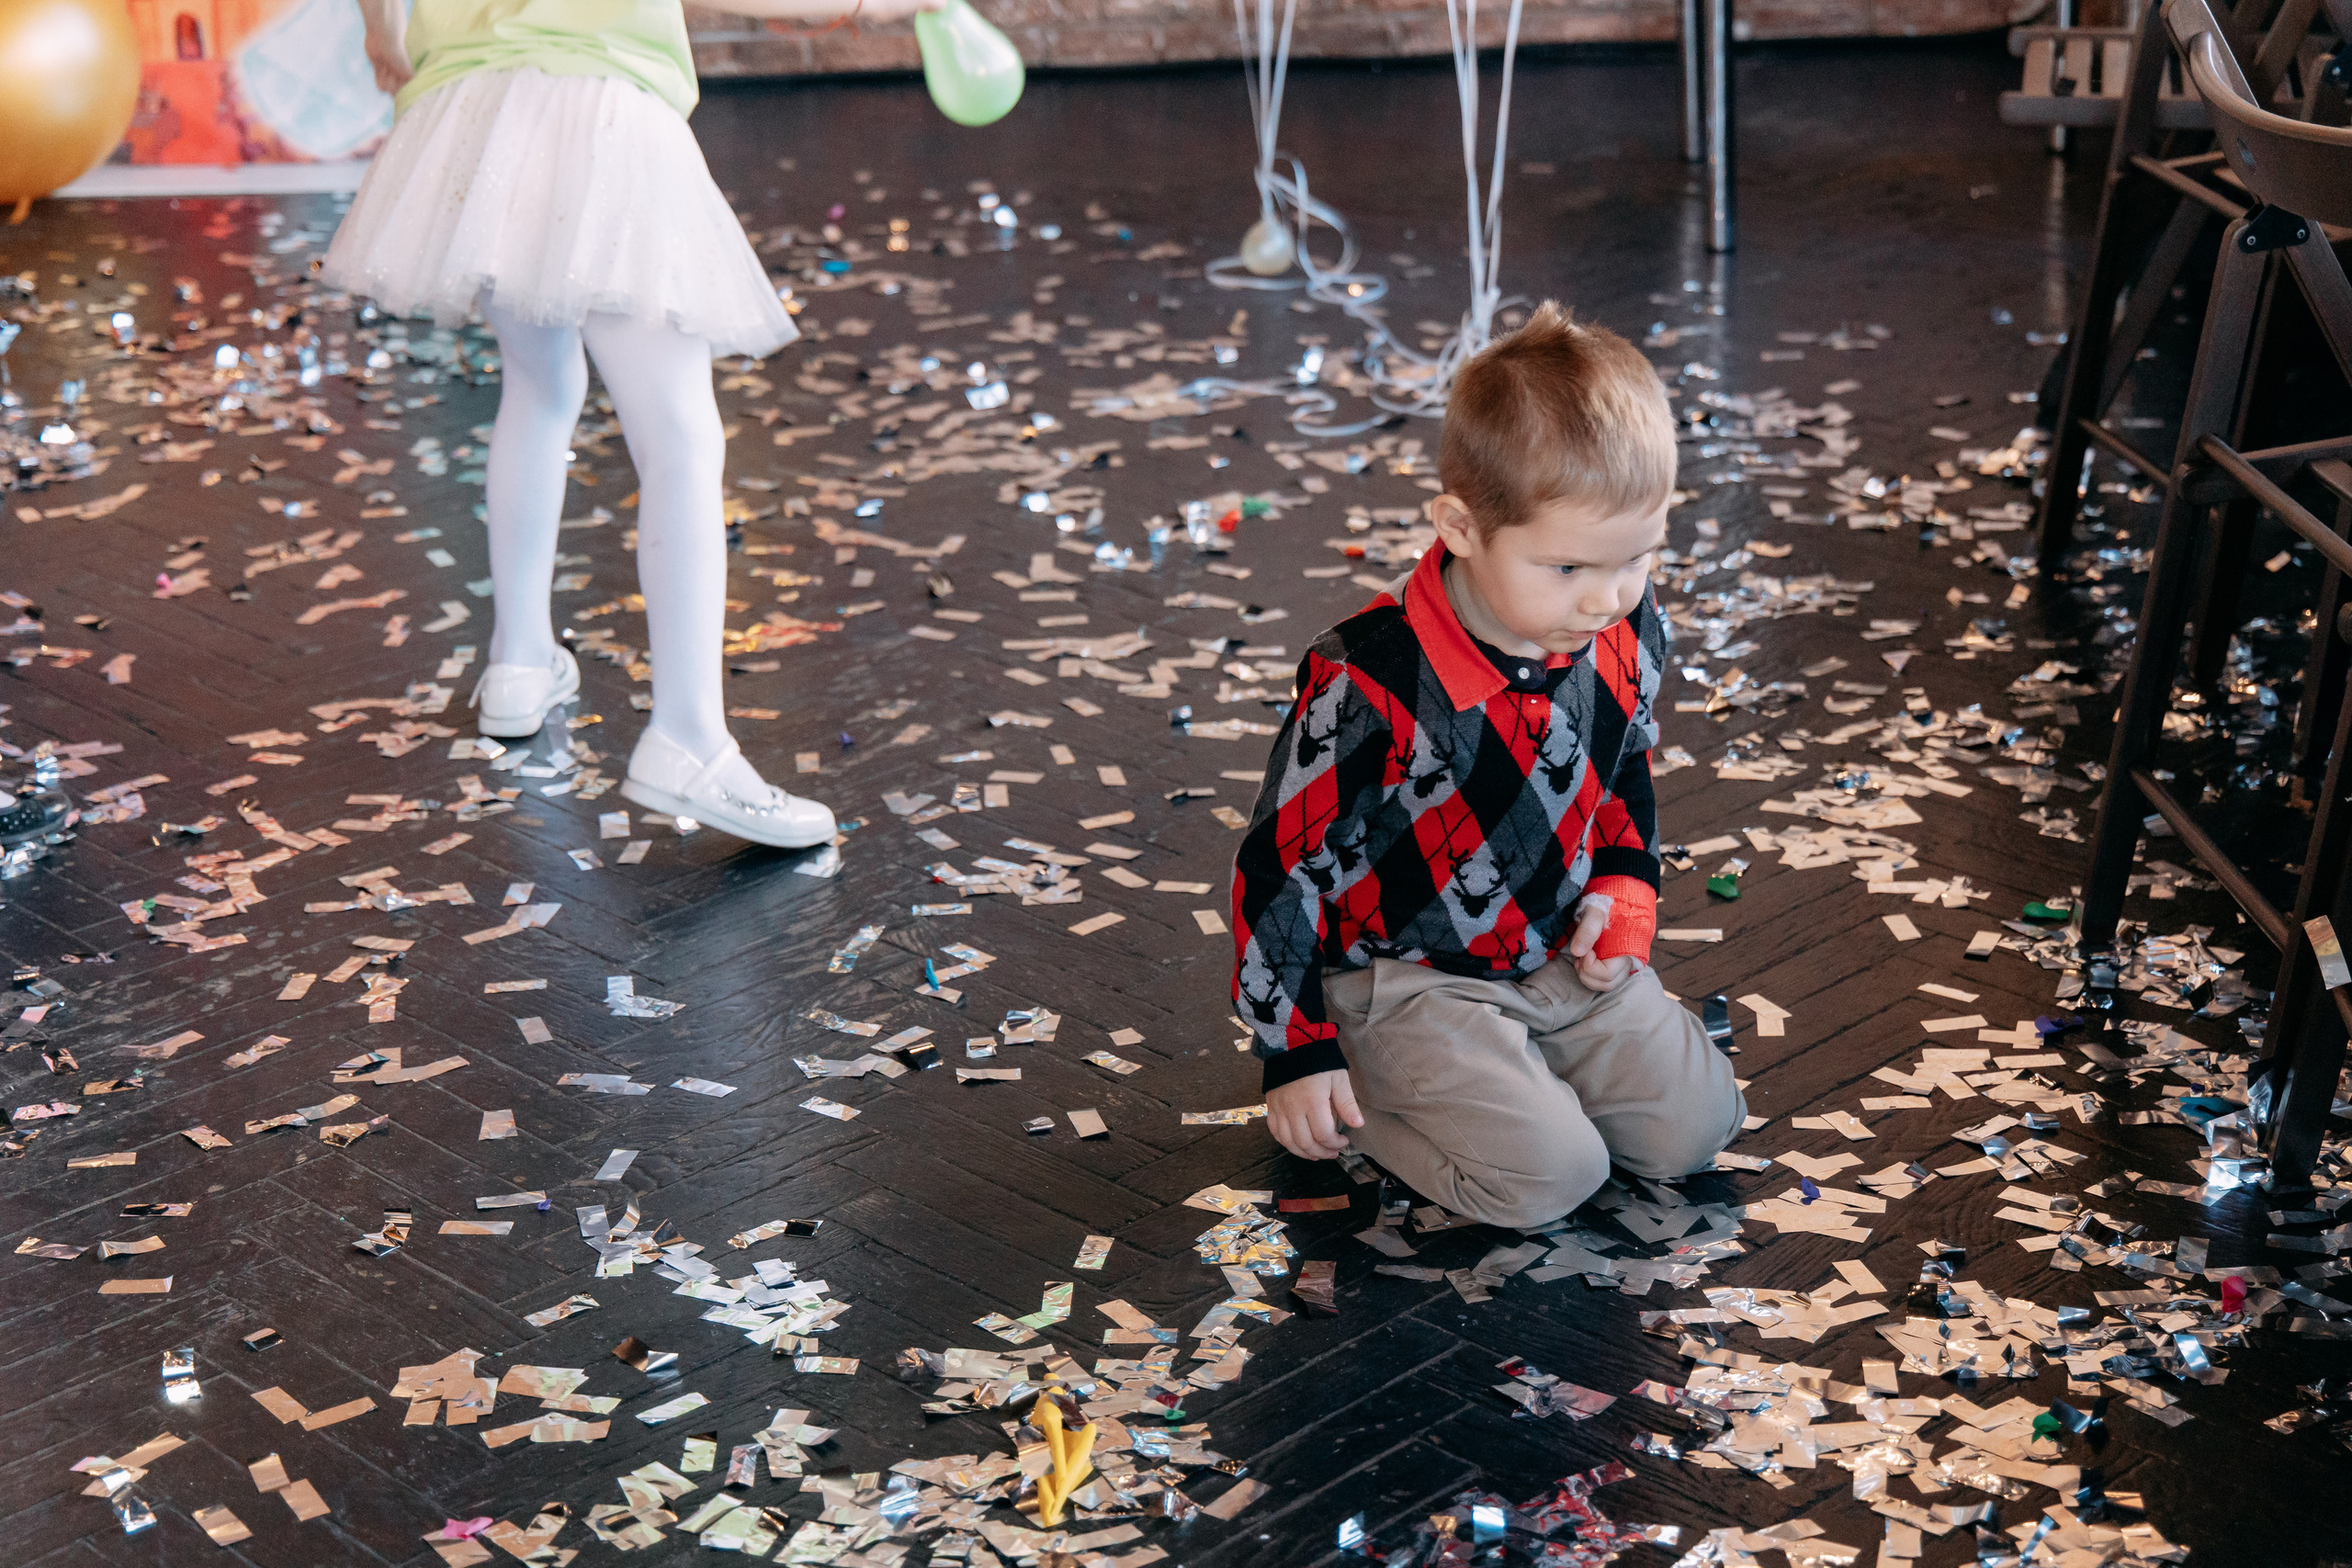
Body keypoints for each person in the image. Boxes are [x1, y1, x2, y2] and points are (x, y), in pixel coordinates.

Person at [324, 0, 937, 848]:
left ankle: (520, 660)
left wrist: (380, 33)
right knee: (680, 436)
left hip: (478, 116)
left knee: (538, 385)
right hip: (599, 116)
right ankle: (688, 735)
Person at [1228, 302, 1746, 1231]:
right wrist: (1295, 1050)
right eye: (1567, 569)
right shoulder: (1366, 677)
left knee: (1696, 1131)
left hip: (1552, 953)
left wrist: (1624, 883)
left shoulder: (1625, 618)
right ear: (1461, 527)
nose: (1607, 597)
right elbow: (1282, 863)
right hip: (1402, 975)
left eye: (1638, 556)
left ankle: (1511, 1076)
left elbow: (1626, 755)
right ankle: (1378, 1095)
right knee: (1552, 1180)